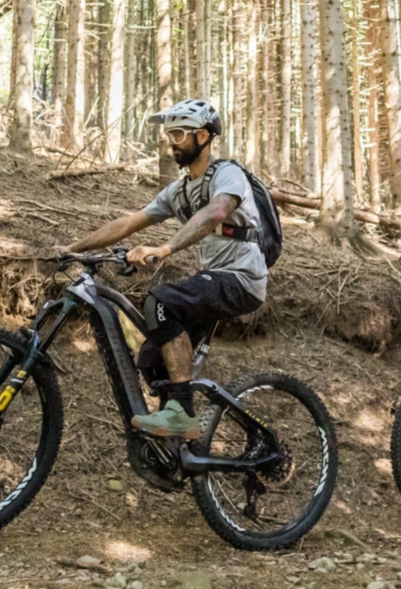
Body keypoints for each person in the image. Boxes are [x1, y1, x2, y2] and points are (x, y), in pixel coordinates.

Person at [62, 100, 267, 440]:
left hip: (241, 280)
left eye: (178, 133)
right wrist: (72, 249)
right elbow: (128, 223)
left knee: (162, 300)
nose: (171, 141)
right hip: (215, 279)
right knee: (151, 359)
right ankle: (180, 448)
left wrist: (165, 247)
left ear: (202, 136)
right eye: (169, 134)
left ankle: (182, 414)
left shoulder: (229, 175)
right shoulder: (180, 190)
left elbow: (215, 213)